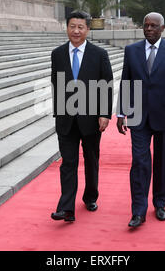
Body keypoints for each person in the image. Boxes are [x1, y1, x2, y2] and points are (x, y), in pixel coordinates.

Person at [117, 12, 165, 228]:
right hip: (138, 116)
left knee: (162, 161)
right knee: (139, 162)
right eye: (146, 25)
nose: (149, 29)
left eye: (153, 26)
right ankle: (138, 211)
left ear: (162, 29)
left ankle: (160, 203)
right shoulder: (131, 51)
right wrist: (121, 113)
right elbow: (126, 82)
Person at [50, 11, 114, 222]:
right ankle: (66, 207)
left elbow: (106, 86)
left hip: (91, 119)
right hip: (66, 120)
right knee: (68, 162)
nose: (76, 31)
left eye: (80, 27)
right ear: (66, 27)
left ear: (87, 29)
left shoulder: (99, 54)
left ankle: (90, 196)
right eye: (72, 26)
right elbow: (56, 84)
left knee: (91, 160)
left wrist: (104, 114)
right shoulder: (57, 54)